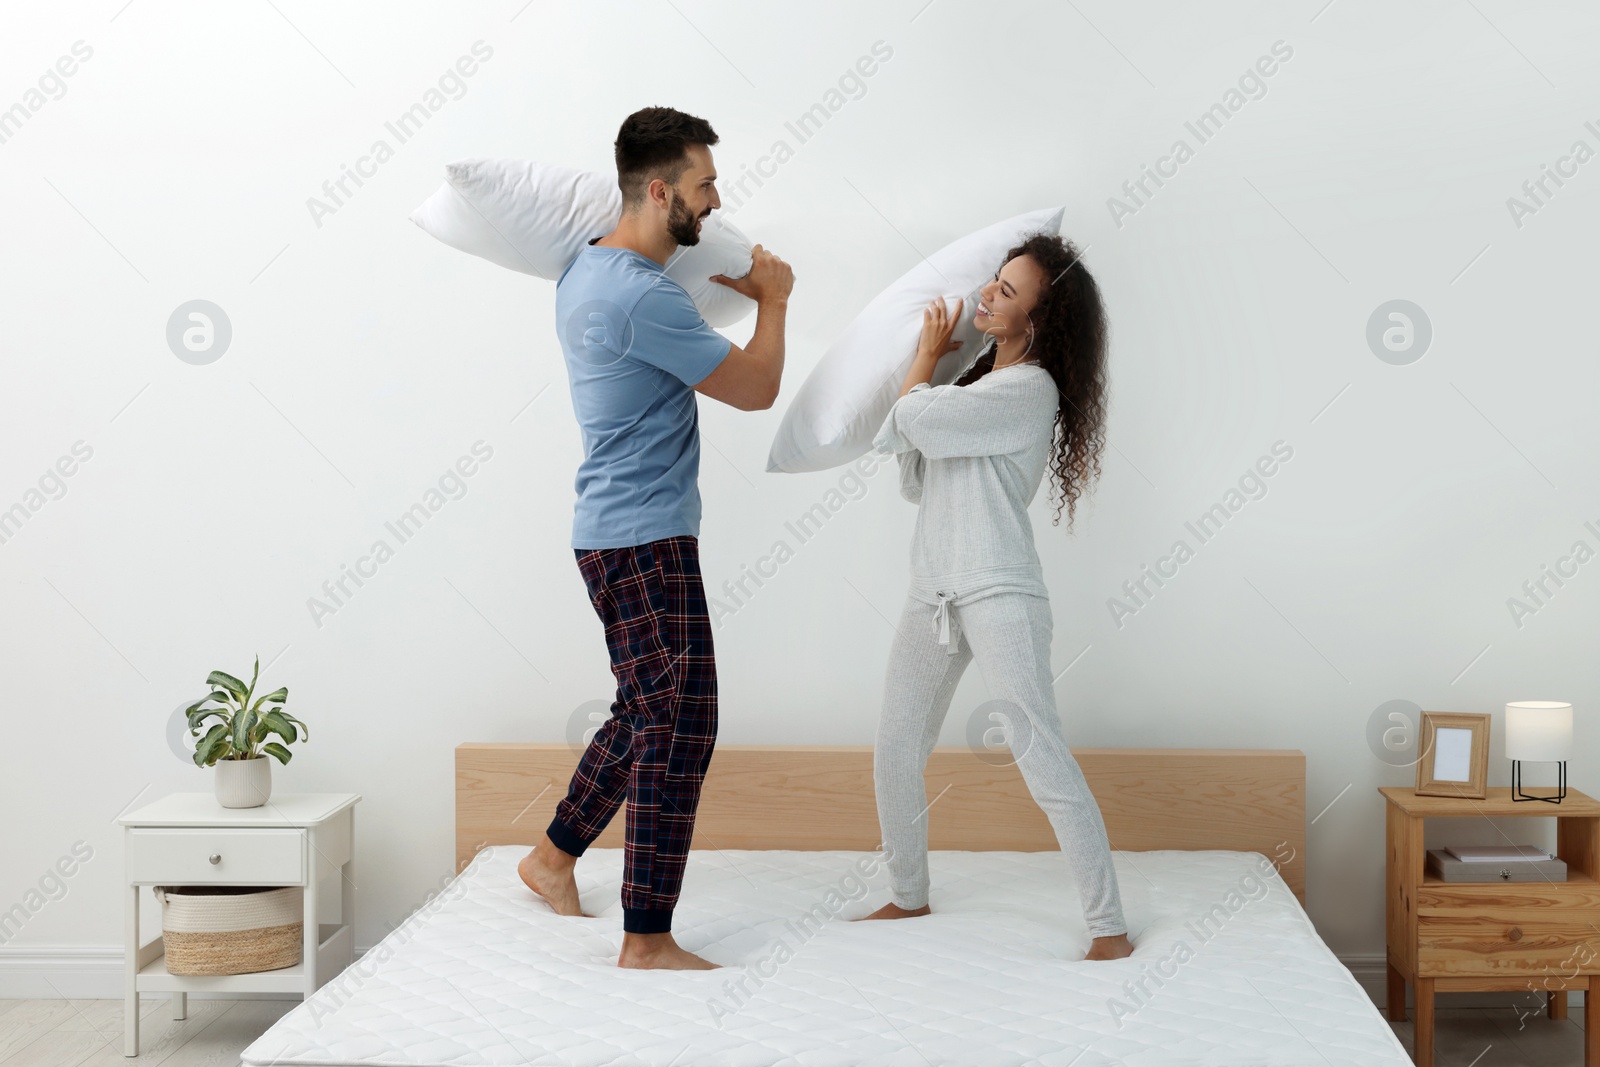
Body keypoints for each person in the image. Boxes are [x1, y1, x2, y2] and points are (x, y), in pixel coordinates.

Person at [516, 106, 795, 970]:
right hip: (645, 538)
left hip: (614, 531)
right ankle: (646, 936)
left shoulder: (584, 270)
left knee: (647, 710)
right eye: (706, 184)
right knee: (682, 723)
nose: (716, 201)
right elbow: (755, 389)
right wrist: (775, 302)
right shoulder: (642, 298)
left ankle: (552, 857)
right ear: (662, 189)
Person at [858, 233, 1135, 962]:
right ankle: (907, 892)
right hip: (934, 592)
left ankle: (1108, 926)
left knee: (1039, 754)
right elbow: (917, 476)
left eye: (1008, 292)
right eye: (995, 282)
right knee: (894, 747)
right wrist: (927, 401)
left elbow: (912, 423)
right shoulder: (980, 388)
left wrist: (922, 363)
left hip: (1000, 591)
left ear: (1038, 320)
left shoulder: (1029, 390)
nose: (988, 294)